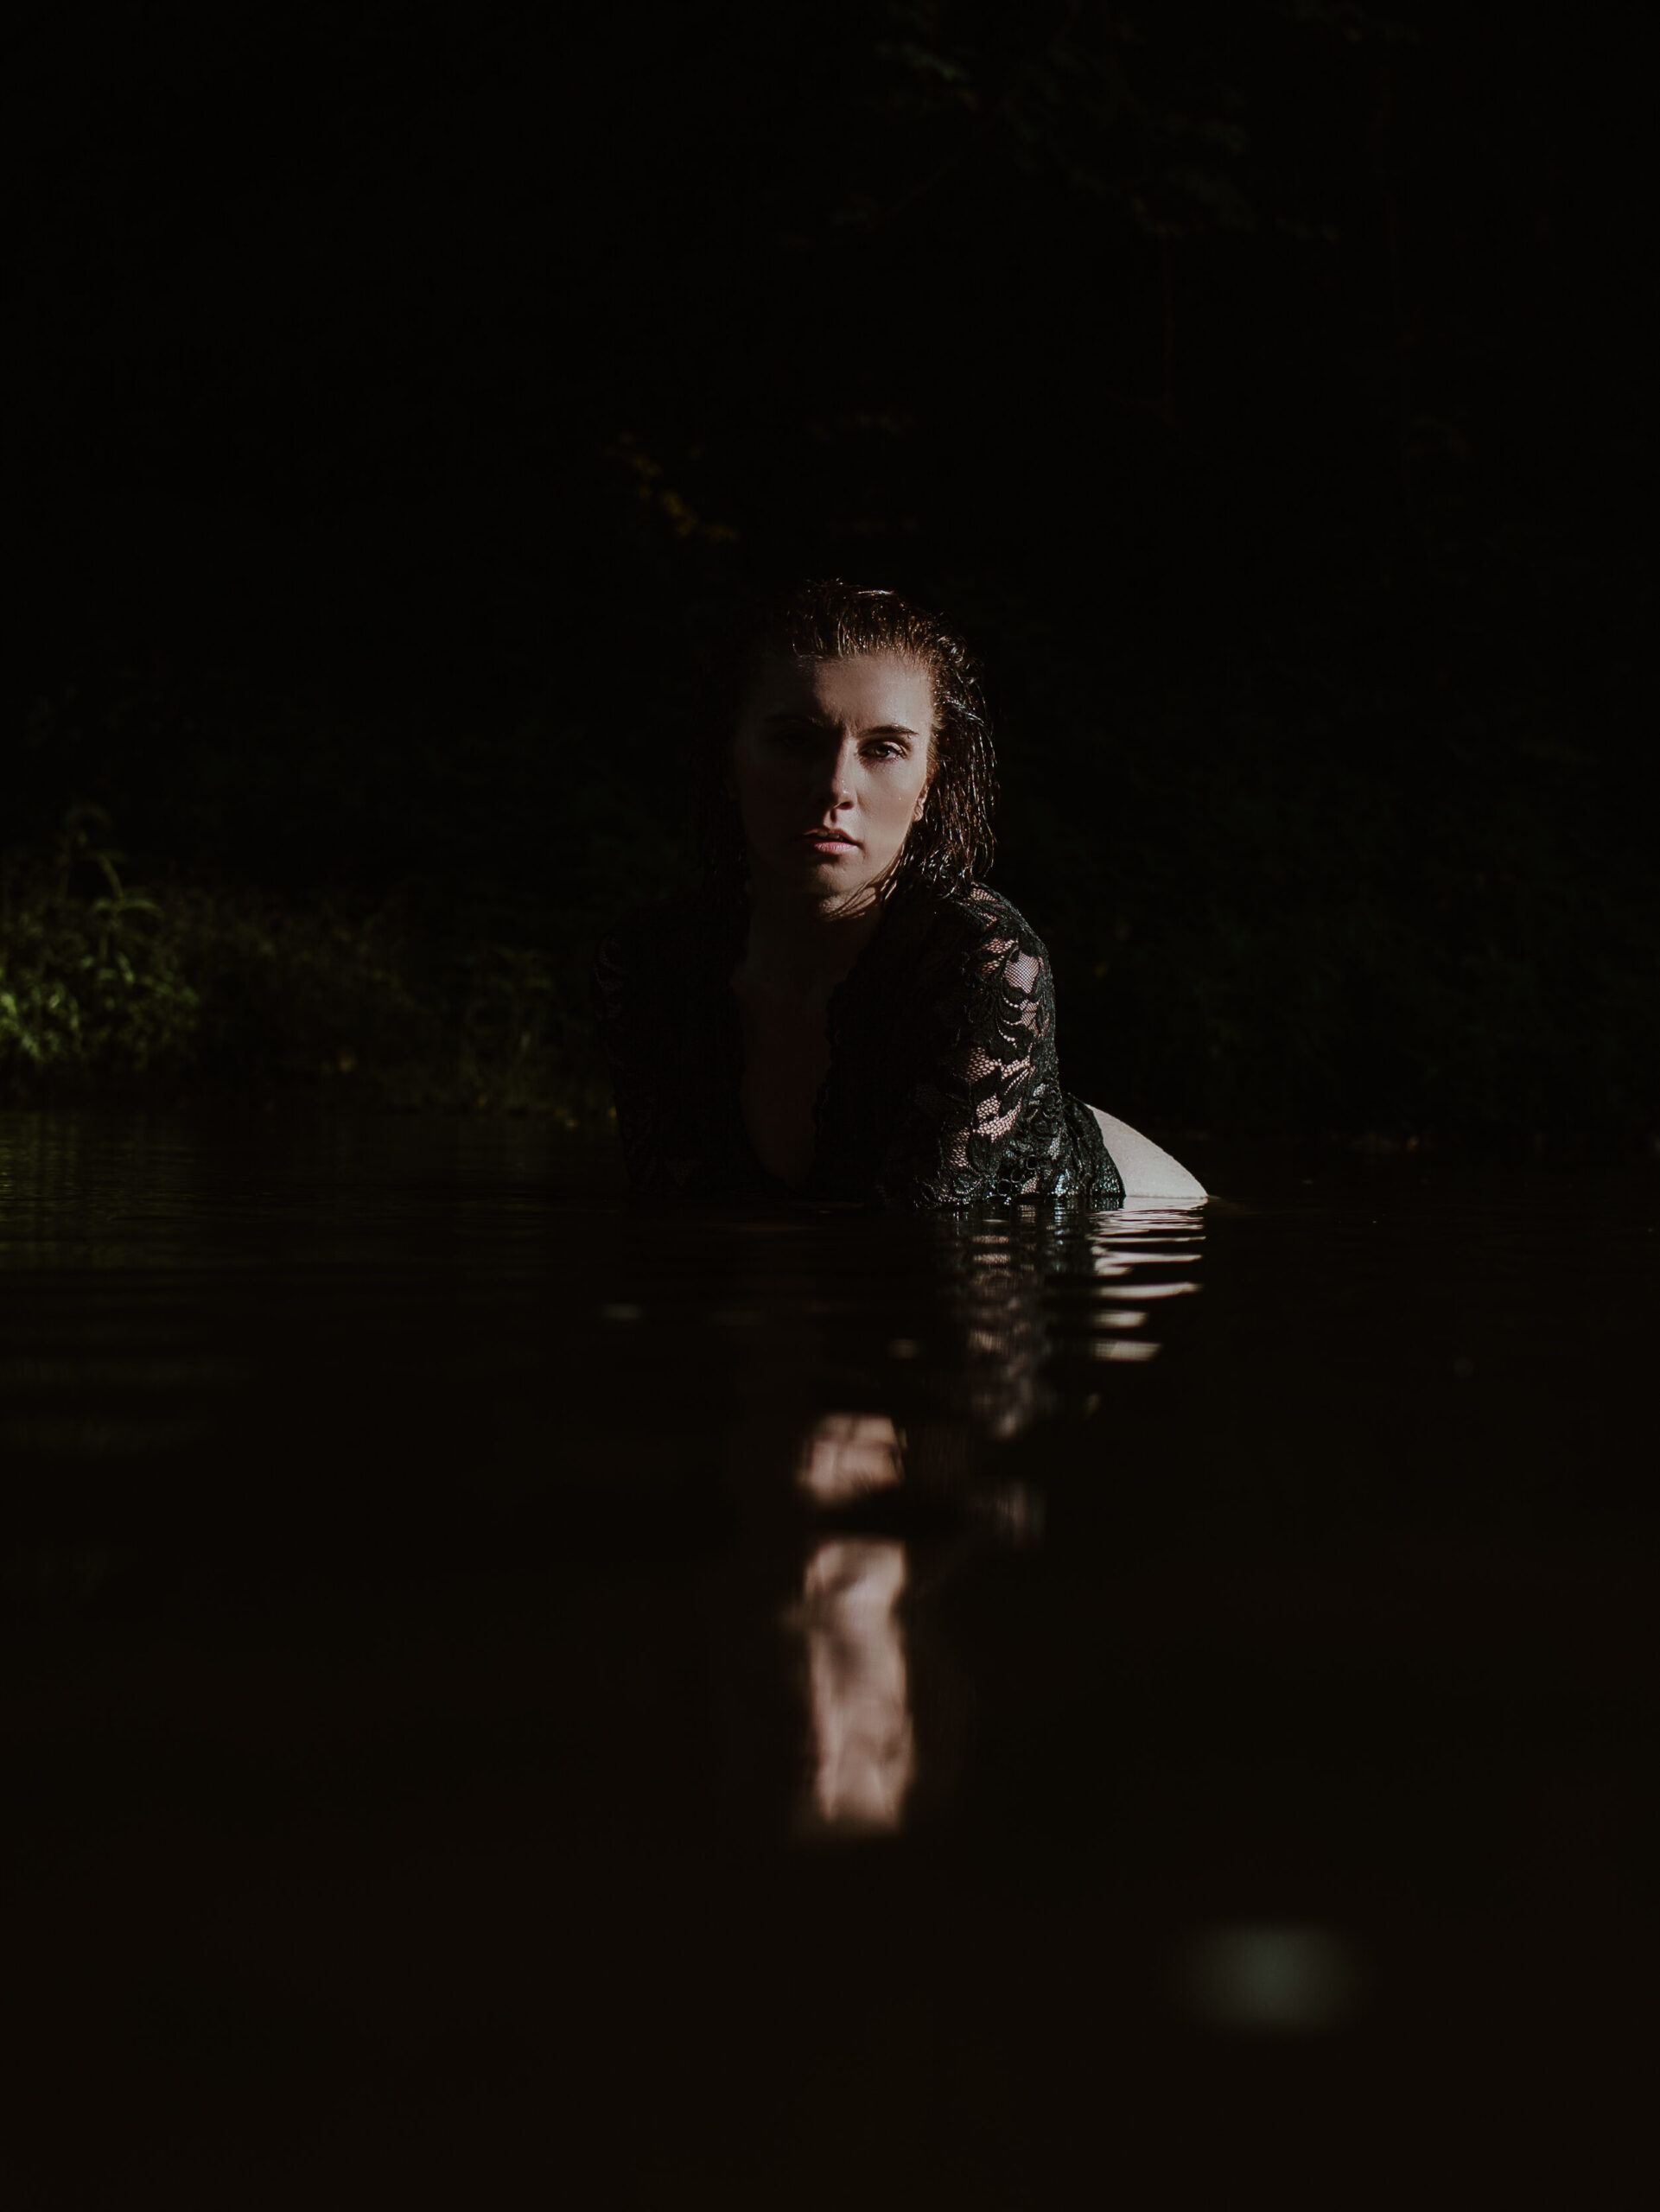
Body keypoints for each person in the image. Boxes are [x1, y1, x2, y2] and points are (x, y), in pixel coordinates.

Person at [593, 580, 1204, 1207]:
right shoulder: (652, 964)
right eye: (794, 740)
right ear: (729, 762)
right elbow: (668, 1212)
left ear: (927, 789)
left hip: (1128, 1241)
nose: (834, 787)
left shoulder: (983, 960)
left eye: (883, 749)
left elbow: (919, 1248)